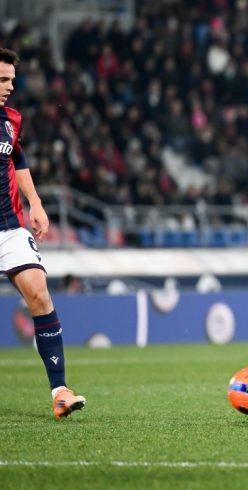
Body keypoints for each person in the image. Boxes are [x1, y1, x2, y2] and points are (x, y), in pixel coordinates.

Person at [0, 48, 86, 419]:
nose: (10, 86)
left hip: (8, 225)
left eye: (11, 80)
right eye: (2, 80)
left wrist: (35, 202)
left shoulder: (10, 120)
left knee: (39, 293)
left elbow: (16, 157)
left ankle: (60, 392)